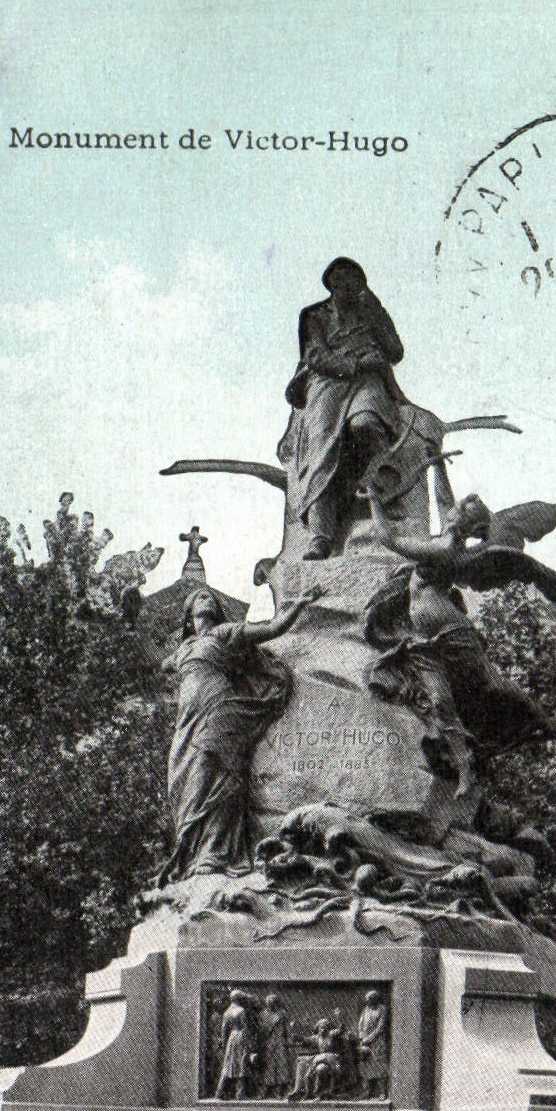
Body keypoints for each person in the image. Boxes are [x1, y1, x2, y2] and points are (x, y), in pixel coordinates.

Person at [162, 585, 324, 880]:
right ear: (188, 616)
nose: (207, 599)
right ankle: (192, 855)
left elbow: (272, 628)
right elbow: (156, 662)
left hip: (220, 708)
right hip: (188, 719)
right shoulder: (183, 650)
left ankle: (215, 852)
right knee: (181, 781)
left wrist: (299, 603)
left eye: (210, 597)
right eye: (200, 597)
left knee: (213, 773)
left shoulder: (225, 632)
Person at [279, 258, 407, 560]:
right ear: (332, 284)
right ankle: (321, 535)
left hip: (367, 380)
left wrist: (377, 312)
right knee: (322, 444)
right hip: (328, 380)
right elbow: (315, 356)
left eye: (354, 282)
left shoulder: (371, 313)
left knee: (365, 424)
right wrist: (353, 363)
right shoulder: (314, 316)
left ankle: (383, 497)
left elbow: (396, 352)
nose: (347, 288)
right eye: (341, 282)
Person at [215, 989, 256, 1100]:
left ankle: (219, 1092)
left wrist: (224, 1042)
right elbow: (245, 1027)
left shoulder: (227, 1012)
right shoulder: (241, 1011)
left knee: (229, 1065)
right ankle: (240, 1094)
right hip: (241, 1037)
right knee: (242, 1064)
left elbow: (224, 1030)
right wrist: (250, 1043)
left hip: (231, 1039)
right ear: (239, 999)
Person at [256, 992, 293, 1097]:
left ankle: (279, 1090)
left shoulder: (282, 1014)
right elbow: (261, 1030)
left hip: (280, 1042)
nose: (271, 1004)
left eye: (273, 1002)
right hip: (268, 1043)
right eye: (269, 1002)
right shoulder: (262, 1015)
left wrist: (288, 1040)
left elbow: (287, 1029)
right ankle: (265, 1090)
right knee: (268, 1066)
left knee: (281, 1065)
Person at [356, 989, 390, 1099]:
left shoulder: (382, 1009)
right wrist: (361, 1036)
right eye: (367, 1000)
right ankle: (368, 1091)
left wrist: (369, 1038)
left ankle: (382, 1092)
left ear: (375, 999)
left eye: (369, 1000)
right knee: (366, 1066)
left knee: (379, 1066)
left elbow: (380, 1027)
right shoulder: (366, 1009)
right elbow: (360, 1023)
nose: (367, 1002)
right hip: (365, 1042)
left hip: (377, 1042)